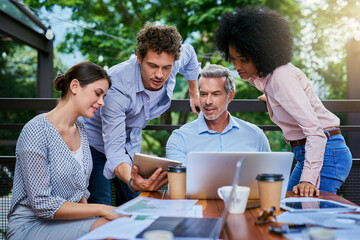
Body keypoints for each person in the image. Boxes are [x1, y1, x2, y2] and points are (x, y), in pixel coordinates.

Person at [213, 7, 352, 197]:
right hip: (309, 153)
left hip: (326, 152)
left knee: (311, 214)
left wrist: (308, 180)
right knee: (287, 206)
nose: (237, 67)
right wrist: (272, 99)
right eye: (234, 59)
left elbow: (315, 132)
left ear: (262, 53)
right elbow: (277, 91)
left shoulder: (281, 78)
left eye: (243, 60)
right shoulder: (270, 78)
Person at [81, 24, 201, 205]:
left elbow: (190, 54)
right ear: (138, 57)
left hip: (130, 142)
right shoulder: (116, 87)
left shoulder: (174, 61)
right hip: (95, 143)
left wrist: (194, 93)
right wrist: (131, 179)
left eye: (166, 68)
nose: (160, 75)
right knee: (102, 205)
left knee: (139, 202)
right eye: (152, 66)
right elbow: (114, 151)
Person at [6, 62, 124, 240]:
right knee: (108, 227)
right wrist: (101, 209)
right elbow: (41, 203)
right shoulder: (36, 130)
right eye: (98, 94)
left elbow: (81, 193)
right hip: (29, 226)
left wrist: (94, 218)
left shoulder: (81, 131)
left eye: (104, 96)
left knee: (112, 225)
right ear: (75, 86)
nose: (102, 102)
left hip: (64, 223)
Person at [166, 64, 271, 164]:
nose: (208, 101)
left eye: (216, 94)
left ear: (230, 96)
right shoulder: (180, 138)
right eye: (203, 94)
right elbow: (177, 181)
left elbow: (269, 177)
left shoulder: (256, 136)